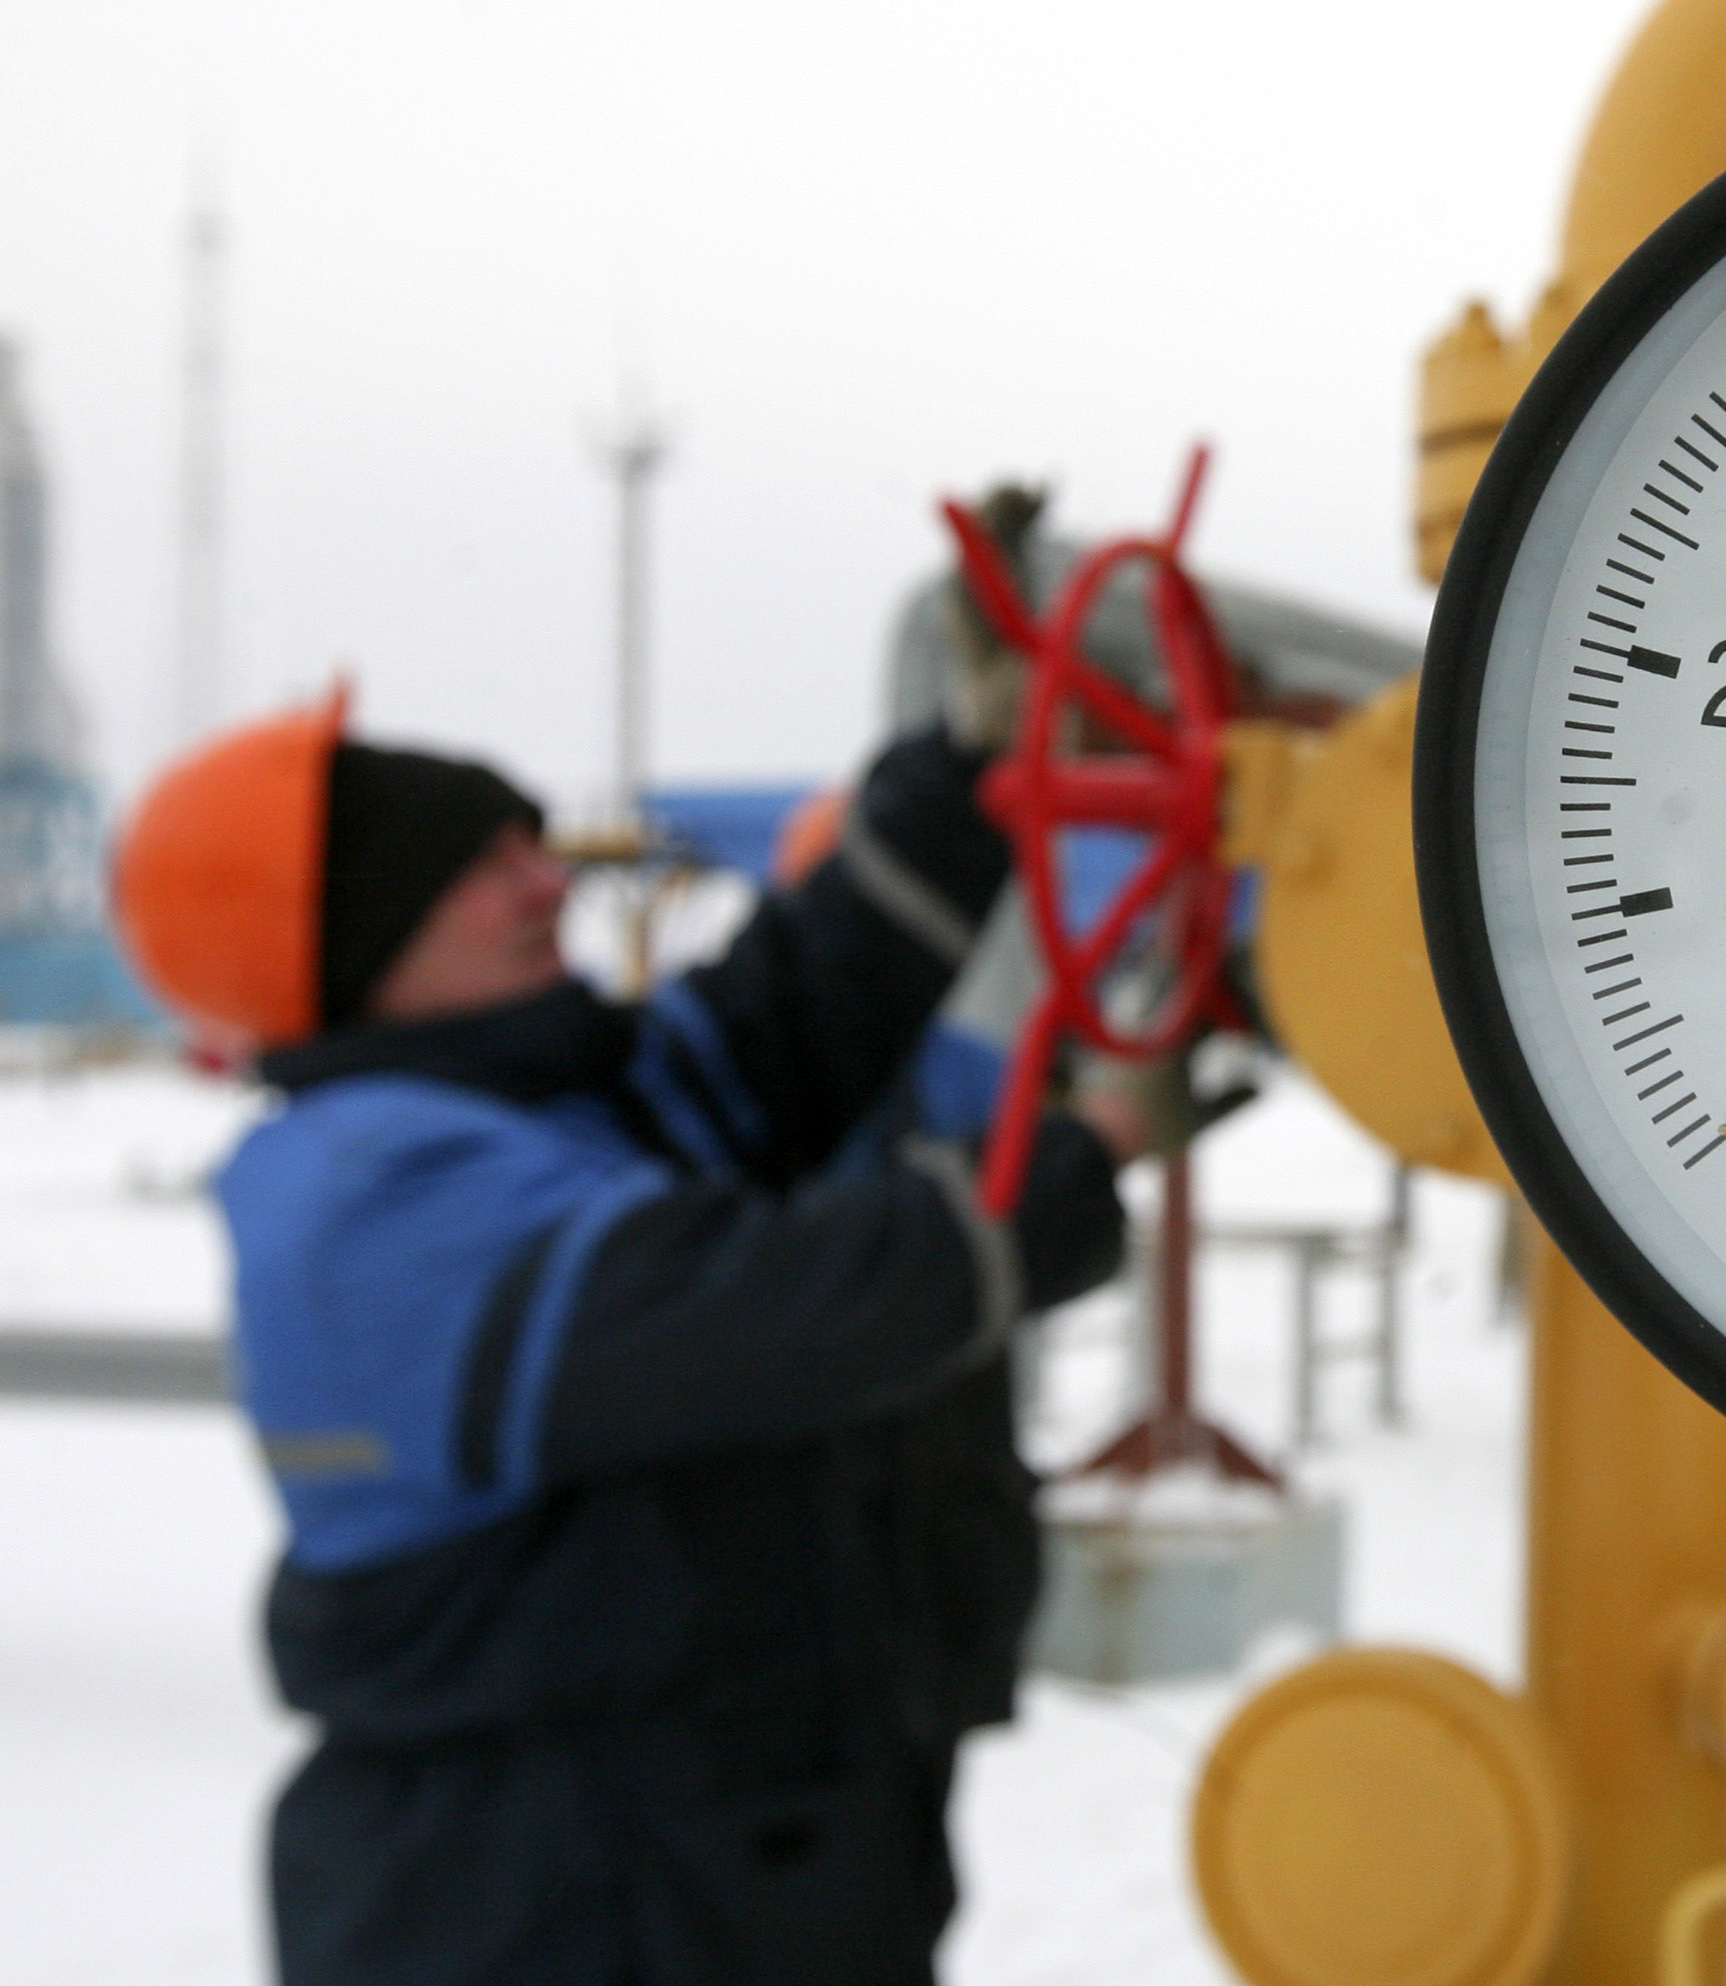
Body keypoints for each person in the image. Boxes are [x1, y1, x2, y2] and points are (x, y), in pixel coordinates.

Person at [110, 686, 1132, 1985]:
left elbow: (784, 1020)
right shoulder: (368, 1196)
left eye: (530, 843)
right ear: (354, 935)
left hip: (692, 1876)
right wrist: (1061, 1175)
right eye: (483, 866)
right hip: (535, 1909)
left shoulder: (541, 1109)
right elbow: (776, 1313)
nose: (550, 884)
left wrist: (968, 764)